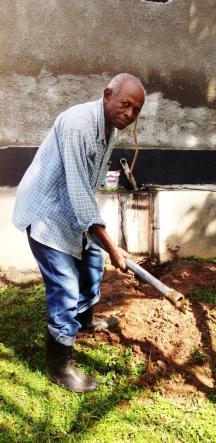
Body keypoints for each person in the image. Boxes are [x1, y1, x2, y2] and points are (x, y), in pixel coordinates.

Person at [12, 73, 145, 392]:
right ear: (107, 94)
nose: (128, 114)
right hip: (46, 214)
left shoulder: (109, 126)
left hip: (72, 212)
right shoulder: (77, 124)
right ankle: (59, 367)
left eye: (135, 110)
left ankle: (84, 321)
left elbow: (88, 185)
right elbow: (79, 191)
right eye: (124, 104)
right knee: (66, 289)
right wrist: (113, 245)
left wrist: (101, 242)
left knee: (93, 265)